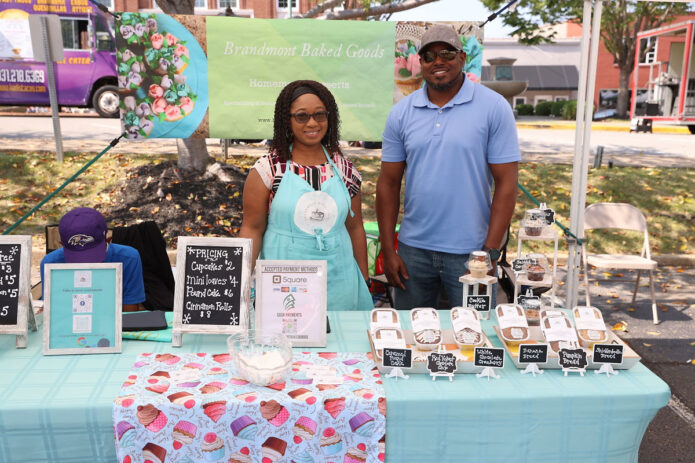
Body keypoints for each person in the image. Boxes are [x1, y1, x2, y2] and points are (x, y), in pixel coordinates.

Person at [376, 24, 520, 310]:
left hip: (472, 252)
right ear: (420, 63)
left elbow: (507, 184)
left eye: (446, 53)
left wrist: (489, 253)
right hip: (413, 252)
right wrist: (388, 249)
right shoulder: (402, 113)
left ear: (462, 57)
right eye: (428, 56)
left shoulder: (493, 107)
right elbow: (387, 183)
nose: (438, 61)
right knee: (411, 340)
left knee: (476, 339)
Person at [239, 80, 373, 311]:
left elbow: (354, 227)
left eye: (320, 115)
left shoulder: (345, 170)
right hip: (283, 285)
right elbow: (252, 228)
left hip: (340, 283)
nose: (312, 123)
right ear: (286, 121)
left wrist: (362, 277)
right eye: (301, 116)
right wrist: (240, 283)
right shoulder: (268, 170)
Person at [40, 207, 146, 312]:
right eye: (77, 259)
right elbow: (52, 311)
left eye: (93, 258)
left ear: (108, 240)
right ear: (62, 245)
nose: (86, 264)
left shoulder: (128, 259)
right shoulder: (50, 264)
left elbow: (129, 314)